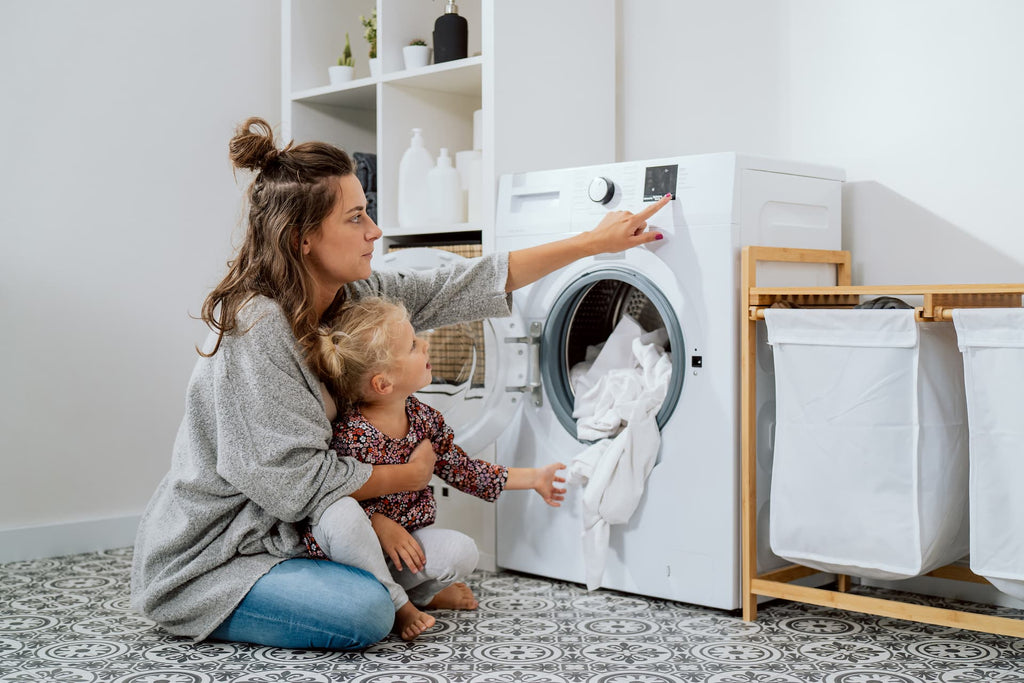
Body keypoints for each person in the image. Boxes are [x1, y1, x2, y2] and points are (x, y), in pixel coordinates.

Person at [130, 116, 670, 651]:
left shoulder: (352, 298)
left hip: (308, 530)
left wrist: (593, 243)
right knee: (364, 613)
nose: (375, 231)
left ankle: (386, 586)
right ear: (303, 240)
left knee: (428, 563)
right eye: (357, 218)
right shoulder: (257, 328)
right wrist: (403, 479)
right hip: (219, 555)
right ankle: (364, 594)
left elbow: (466, 283)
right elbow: (294, 483)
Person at [303, 296, 567, 640]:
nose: (425, 345)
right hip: (349, 557)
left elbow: (464, 470)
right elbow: (332, 498)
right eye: (413, 345)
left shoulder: (425, 420)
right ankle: (401, 605)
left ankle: (420, 594)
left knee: (462, 552)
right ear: (383, 384)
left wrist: (534, 478)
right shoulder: (351, 434)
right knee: (345, 521)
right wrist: (378, 523)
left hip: (402, 551)